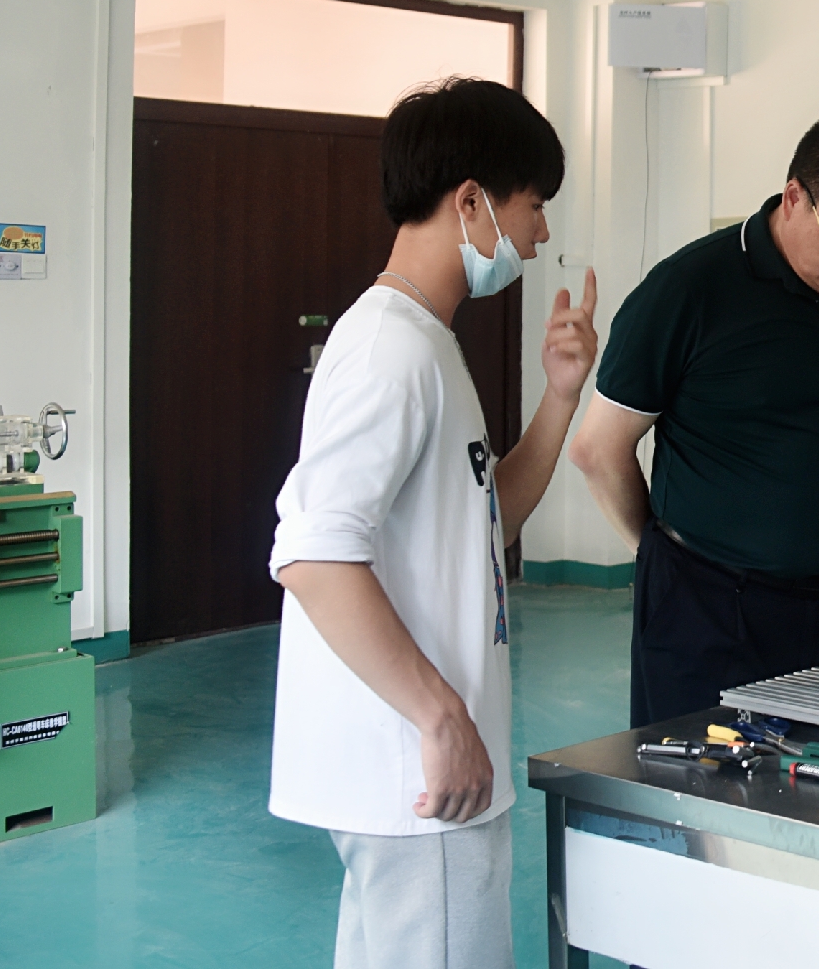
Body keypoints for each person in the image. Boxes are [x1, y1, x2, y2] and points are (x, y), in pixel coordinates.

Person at [269, 78, 599, 969]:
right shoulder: (391, 350)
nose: (540, 235)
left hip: (412, 775)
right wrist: (440, 717)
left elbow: (483, 525)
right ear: (471, 201)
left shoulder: (425, 341)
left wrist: (560, 399)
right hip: (417, 774)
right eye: (534, 206)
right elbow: (312, 552)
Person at [569, 108, 819, 728]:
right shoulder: (689, 288)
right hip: (704, 610)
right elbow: (598, 448)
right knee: (703, 783)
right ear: (795, 198)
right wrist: (662, 559)